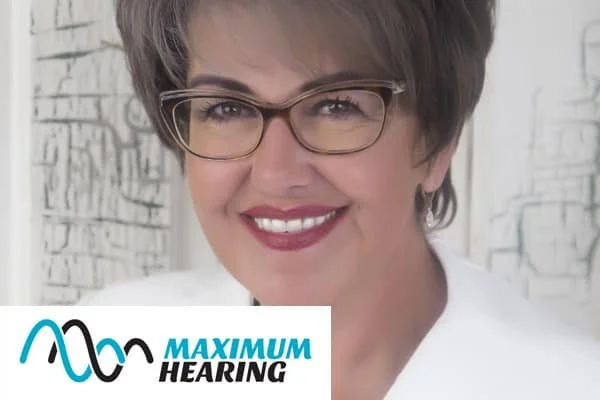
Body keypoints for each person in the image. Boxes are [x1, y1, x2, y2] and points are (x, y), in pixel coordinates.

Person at [82, 0, 600, 398]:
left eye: (336, 106)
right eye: (225, 109)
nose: (275, 174)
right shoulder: (99, 355)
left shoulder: (571, 384)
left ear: (437, 142)